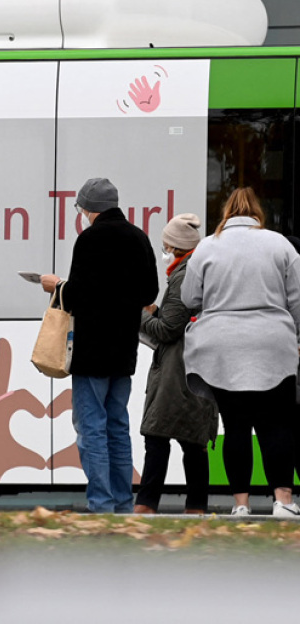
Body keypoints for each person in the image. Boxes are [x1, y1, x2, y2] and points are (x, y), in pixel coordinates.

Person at [41, 178, 158, 514]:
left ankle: (101, 503)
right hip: (124, 349)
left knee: (91, 426)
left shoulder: (89, 240)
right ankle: (122, 503)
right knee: (117, 425)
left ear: (88, 208)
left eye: (80, 208)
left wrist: (55, 285)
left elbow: (77, 294)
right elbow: (149, 293)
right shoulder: (139, 238)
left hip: (91, 350)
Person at [182, 187, 300, 517]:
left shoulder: (206, 247)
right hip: (272, 345)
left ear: (226, 213)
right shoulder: (280, 245)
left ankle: (241, 505)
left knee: (235, 427)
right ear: (257, 213)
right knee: (277, 425)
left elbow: (190, 297)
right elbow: (298, 299)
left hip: (222, 349)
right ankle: (283, 501)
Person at [134, 214, 217, 514]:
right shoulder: (192, 269)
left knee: (158, 438)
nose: (163, 250)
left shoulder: (183, 275)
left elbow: (168, 329)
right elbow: (176, 319)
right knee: (190, 441)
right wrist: (156, 310)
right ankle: (196, 508)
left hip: (176, 372)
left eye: (166, 244)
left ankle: (145, 506)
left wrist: (138, 314)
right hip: (190, 369)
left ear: (176, 246)